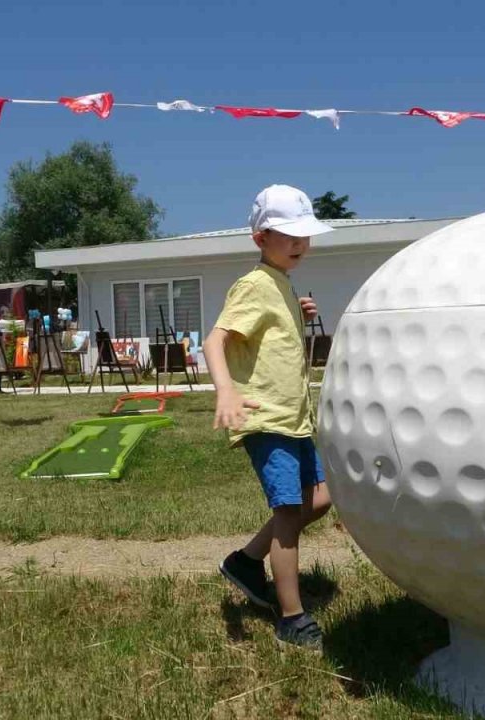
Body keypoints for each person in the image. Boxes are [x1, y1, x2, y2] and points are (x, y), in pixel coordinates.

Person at [204, 184, 334, 650]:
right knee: (288, 512)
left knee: (319, 498)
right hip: (267, 419)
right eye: (288, 235)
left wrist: (295, 310)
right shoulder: (256, 284)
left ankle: (245, 562)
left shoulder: (280, 286)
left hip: (295, 419)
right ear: (261, 239)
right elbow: (214, 339)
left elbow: (267, 330)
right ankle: (292, 616)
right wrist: (227, 391)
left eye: (305, 235)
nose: (300, 243)